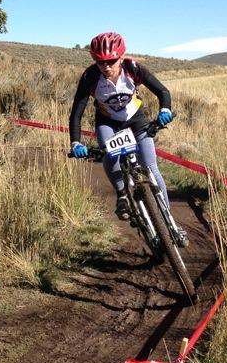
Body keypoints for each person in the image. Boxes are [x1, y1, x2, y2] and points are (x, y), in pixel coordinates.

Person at [68, 31, 181, 240]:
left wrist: (165, 110)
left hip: (136, 119)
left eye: (111, 60)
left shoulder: (132, 68)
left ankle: (169, 220)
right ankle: (121, 194)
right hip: (108, 122)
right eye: (100, 62)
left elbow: (163, 92)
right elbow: (77, 112)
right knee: (109, 153)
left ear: (121, 56)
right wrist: (75, 143)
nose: (106, 66)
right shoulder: (90, 76)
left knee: (150, 167)